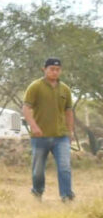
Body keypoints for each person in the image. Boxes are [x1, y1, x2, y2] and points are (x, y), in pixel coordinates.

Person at [22, 57, 75, 202]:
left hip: (61, 136)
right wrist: (34, 126)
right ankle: (37, 192)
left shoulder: (65, 89)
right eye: (52, 69)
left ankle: (66, 196)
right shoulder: (35, 87)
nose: (55, 72)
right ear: (44, 69)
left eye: (58, 69)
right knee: (38, 170)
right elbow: (26, 108)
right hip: (40, 136)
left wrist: (70, 131)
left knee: (64, 167)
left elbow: (69, 111)